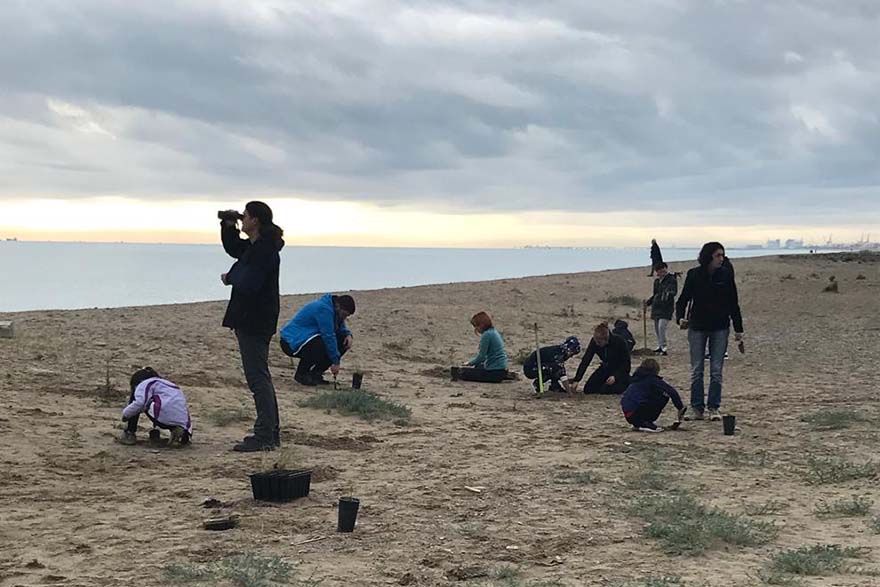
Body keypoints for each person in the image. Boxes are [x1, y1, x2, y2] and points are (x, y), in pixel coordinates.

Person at [220, 201, 284, 452]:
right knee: (261, 377)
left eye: (245, 216)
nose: (243, 220)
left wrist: (231, 277)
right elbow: (236, 249)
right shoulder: (259, 246)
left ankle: (265, 435)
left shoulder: (264, 250)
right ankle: (270, 433)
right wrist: (228, 225)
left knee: (258, 378)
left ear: (255, 220)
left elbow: (250, 281)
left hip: (254, 319)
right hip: (256, 318)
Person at [675, 241, 744, 421]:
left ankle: (714, 407)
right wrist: (680, 318)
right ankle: (697, 408)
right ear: (708, 257)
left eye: (722, 255)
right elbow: (683, 299)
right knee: (697, 369)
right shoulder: (694, 274)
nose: (721, 258)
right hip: (697, 326)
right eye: (718, 255)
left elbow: (733, 303)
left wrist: (739, 330)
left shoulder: (726, 275)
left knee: (716, 370)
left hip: (720, 327)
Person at [280, 294, 355, 386]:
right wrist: (336, 362)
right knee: (319, 344)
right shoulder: (323, 309)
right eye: (344, 315)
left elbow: (339, 325)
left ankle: (315, 374)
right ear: (338, 306)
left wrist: (347, 334)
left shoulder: (334, 309)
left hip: (306, 339)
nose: (344, 318)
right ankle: (302, 374)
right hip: (291, 342)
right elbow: (328, 336)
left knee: (343, 341)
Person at [119, 367, 192, 447]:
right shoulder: (170, 386)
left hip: (163, 415)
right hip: (183, 422)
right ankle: (180, 433)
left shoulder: (145, 384)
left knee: (140, 403)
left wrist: (126, 414)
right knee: (158, 402)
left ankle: (130, 433)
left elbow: (139, 403)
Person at [621, 359, 686, 432]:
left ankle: (639, 423)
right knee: (663, 395)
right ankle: (645, 422)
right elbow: (671, 391)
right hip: (637, 412)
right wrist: (680, 407)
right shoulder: (652, 379)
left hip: (629, 414)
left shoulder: (636, 378)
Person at [570, 322, 631, 394]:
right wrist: (577, 379)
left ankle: (627, 383)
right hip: (605, 368)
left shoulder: (619, 341)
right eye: (596, 342)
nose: (597, 344)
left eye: (599, 342)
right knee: (588, 389)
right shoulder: (594, 342)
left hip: (619, 370)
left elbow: (626, 364)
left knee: (605, 390)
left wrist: (615, 376)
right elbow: (586, 360)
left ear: (606, 340)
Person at [453, 311, 509, 383]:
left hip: (494, 372)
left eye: (476, 326)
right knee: (478, 367)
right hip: (502, 369)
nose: (476, 329)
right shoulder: (494, 332)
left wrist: (469, 363)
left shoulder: (487, 335)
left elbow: (481, 357)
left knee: (462, 373)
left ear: (482, 325)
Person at [645, 262, 678, 355]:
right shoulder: (656, 282)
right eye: (659, 271)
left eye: (663, 270)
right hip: (656, 307)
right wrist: (648, 303)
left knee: (661, 327)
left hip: (666, 308)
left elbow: (673, 291)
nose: (661, 272)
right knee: (657, 328)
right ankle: (660, 346)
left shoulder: (671, 279)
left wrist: (668, 294)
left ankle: (664, 347)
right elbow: (655, 294)